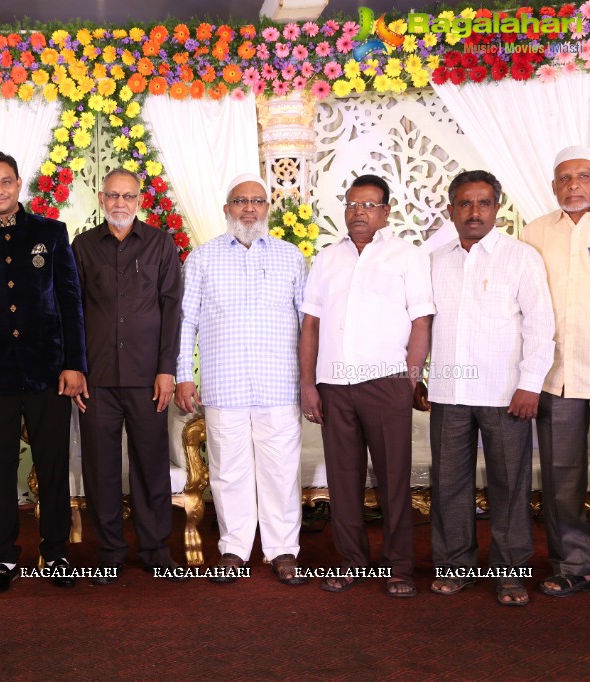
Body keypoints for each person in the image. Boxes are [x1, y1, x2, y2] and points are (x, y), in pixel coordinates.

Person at [0, 150, 86, 593]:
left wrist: (74, 365)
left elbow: (70, 303)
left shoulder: (51, 231)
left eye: (5, 182)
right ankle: (5, 557)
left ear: (18, 183)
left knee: (52, 465)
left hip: (48, 371)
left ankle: (56, 552)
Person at [299, 174, 434, 598]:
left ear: (386, 211)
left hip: (386, 383)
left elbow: (421, 321)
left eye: (369, 205)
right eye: (352, 204)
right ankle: (352, 561)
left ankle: (398, 567)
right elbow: (311, 325)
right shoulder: (326, 258)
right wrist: (308, 383)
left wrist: (408, 379)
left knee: (394, 477)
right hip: (335, 385)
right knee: (343, 478)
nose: (359, 212)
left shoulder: (406, 256)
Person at [423, 170, 554, 606]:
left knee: (509, 485)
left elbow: (540, 325)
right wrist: (415, 375)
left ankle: (509, 572)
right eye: (465, 203)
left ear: (497, 209)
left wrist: (530, 384)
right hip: (447, 392)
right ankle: (456, 567)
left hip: (505, 393)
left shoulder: (521, 257)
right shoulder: (435, 259)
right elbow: (420, 324)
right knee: (448, 486)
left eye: (482, 203)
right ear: (451, 210)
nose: (474, 211)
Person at [176, 173, 308, 585]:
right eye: (239, 201)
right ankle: (233, 548)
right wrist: (183, 375)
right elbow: (186, 322)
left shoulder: (291, 257)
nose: (248, 208)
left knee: (281, 470)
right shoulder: (202, 258)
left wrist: (310, 381)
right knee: (228, 471)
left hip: (280, 383)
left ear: (268, 209)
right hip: (224, 383)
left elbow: (307, 323)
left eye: (257, 201)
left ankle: (283, 550)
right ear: (226, 210)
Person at [71, 168, 185, 584]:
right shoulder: (82, 246)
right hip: (96, 379)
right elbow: (73, 312)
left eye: (129, 196)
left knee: (150, 466)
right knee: (100, 469)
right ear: (101, 200)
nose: (121, 203)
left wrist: (166, 370)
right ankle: (110, 551)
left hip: (147, 379)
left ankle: (156, 550)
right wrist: (77, 369)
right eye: (113, 196)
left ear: (141, 201)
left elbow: (172, 309)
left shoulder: (160, 244)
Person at [520, 146, 590, 597]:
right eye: (564, 178)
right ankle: (573, 564)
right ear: (553, 186)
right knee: (562, 478)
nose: (573, 185)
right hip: (558, 375)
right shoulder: (534, 232)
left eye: (582, 175)